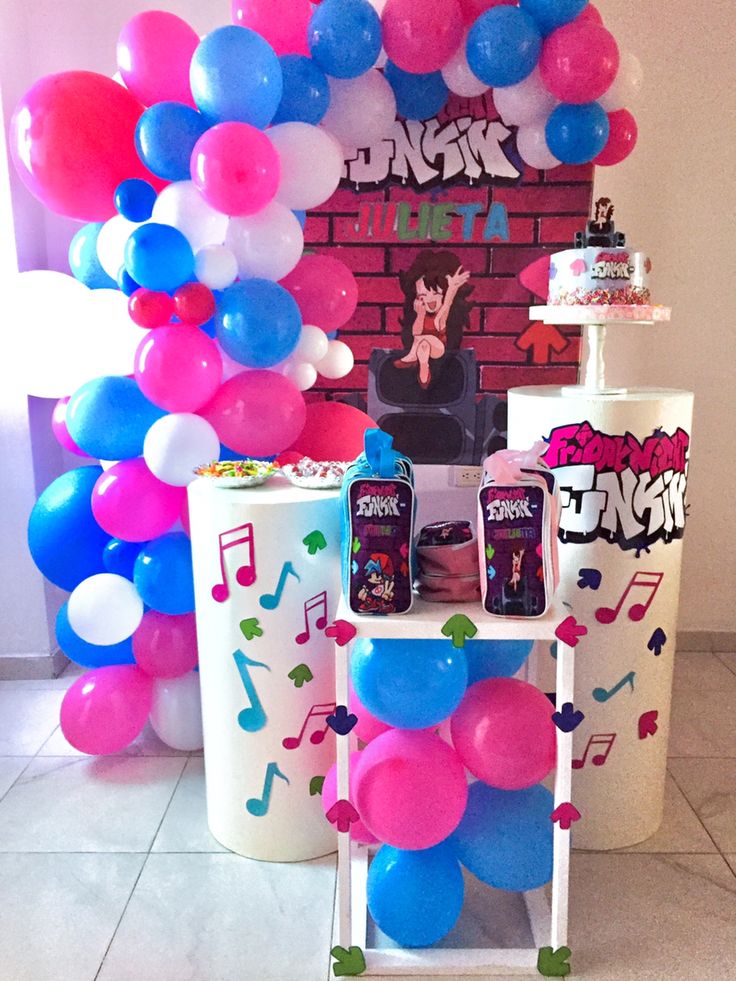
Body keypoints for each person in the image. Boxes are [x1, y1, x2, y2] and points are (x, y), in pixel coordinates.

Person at [395, 250, 473, 389]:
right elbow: (416, 333)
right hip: (423, 351)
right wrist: (419, 314)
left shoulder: (441, 319)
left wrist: (452, 290)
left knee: (424, 340)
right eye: (423, 295)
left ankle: (413, 357)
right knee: (422, 342)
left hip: (438, 348)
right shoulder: (419, 316)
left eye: (436, 294)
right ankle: (424, 371)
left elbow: (447, 305)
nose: (430, 299)